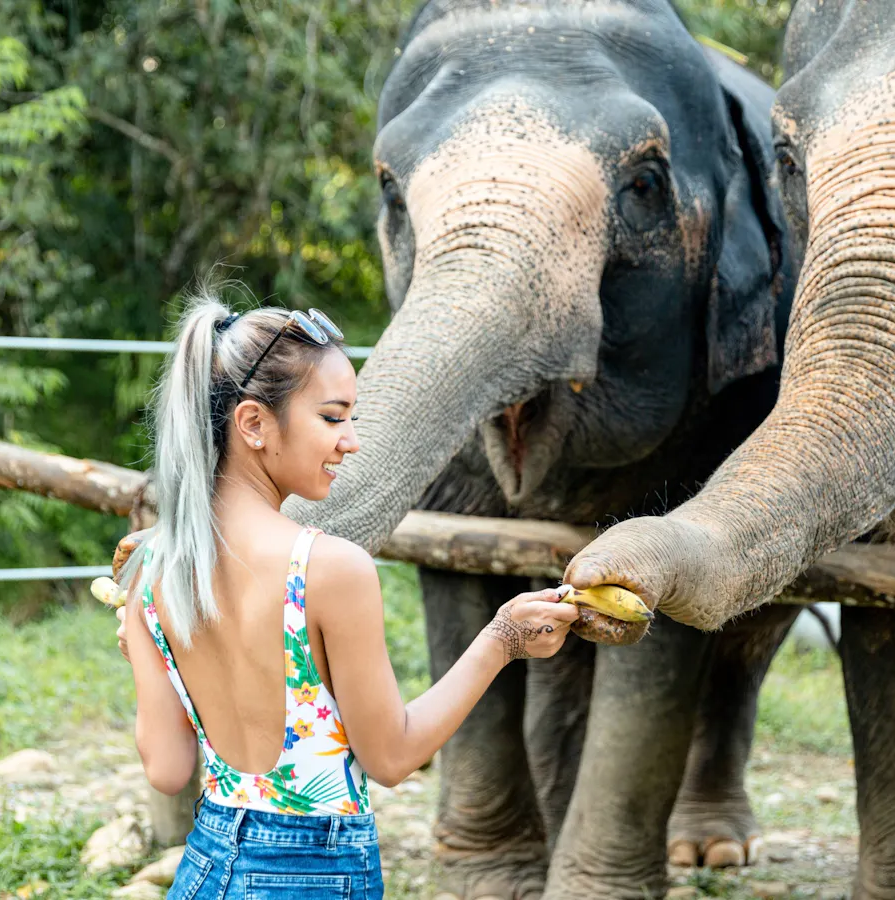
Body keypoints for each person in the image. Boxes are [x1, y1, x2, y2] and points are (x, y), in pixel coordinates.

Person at [112, 293, 577, 899]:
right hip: (313, 877)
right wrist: (502, 640)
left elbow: (168, 771)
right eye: (332, 418)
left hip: (205, 870)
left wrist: (145, 655)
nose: (350, 441)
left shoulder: (152, 568)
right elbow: (391, 757)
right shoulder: (329, 569)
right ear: (252, 424)